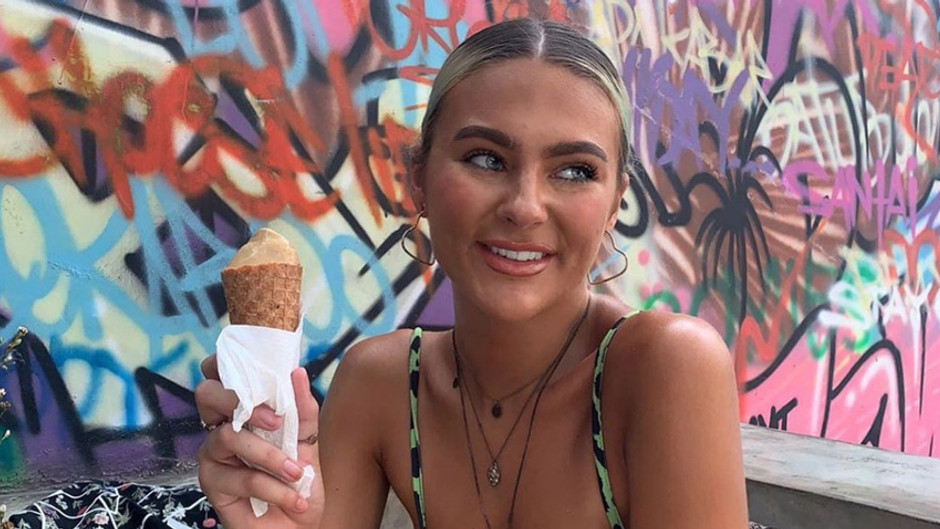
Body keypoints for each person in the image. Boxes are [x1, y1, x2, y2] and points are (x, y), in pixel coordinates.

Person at [195, 18, 748, 529]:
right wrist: (279, 516)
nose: (525, 207)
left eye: (576, 171)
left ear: (614, 203)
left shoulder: (665, 367)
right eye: (486, 159)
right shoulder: (380, 386)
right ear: (419, 178)